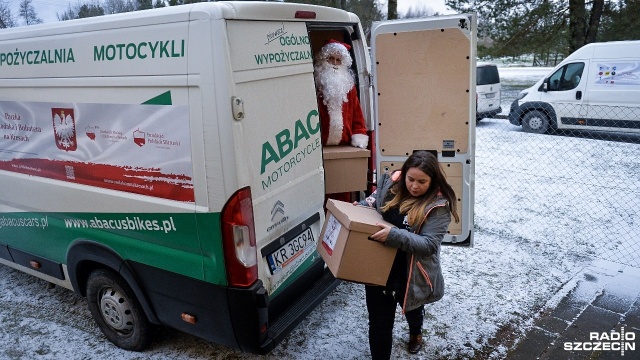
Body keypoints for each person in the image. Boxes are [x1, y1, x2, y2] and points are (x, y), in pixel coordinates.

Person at [356, 151, 459, 359]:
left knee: (412, 309)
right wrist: (360, 208)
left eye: (422, 181)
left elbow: (429, 244)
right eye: (410, 179)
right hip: (379, 271)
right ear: (403, 175)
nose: (414, 186)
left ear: (432, 181)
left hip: (411, 274)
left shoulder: (437, 207)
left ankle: (415, 332)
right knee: (379, 324)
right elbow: (374, 201)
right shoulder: (392, 186)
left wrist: (394, 235)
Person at [314, 39, 368, 149]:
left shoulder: (348, 86)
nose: (334, 63)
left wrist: (359, 135)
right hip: (318, 146)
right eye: (331, 59)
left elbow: (357, 114)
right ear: (323, 60)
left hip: (345, 144)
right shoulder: (315, 84)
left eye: (338, 60)